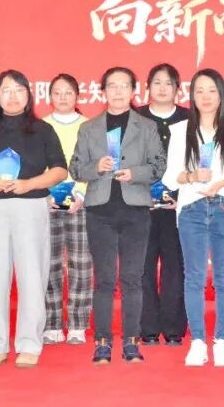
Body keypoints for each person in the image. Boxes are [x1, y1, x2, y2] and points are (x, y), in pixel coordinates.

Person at [0, 70, 67, 368]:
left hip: (30, 206)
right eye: (6, 90)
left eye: (19, 90)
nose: (12, 96)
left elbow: (60, 169)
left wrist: (29, 184)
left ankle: (29, 343)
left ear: (28, 95)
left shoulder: (43, 130)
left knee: (32, 274)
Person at [70, 67, 167, 364]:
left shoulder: (146, 126)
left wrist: (134, 173)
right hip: (100, 211)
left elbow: (158, 165)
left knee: (132, 279)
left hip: (135, 209)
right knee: (104, 280)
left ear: (133, 91)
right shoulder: (89, 128)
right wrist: (96, 167)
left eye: (124, 86)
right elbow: (76, 167)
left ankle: (131, 341)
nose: (118, 91)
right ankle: (102, 342)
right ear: (103, 91)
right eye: (112, 86)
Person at [163, 68, 224, 367]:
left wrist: (220, 183)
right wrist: (192, 176)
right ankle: (198, 342)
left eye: (212, 90)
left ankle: (221, 341)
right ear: (191, 95)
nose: (205, 97)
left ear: (222, 95)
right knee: (194, 277)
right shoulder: (180, 130)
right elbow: (170, 177)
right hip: (191, 209)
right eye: (199, 90)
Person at [137, 64, 190, 346]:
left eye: (168, 83)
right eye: (156, 82)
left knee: (176, 267)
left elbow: (199, 162)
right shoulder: (135, 118)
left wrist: (183, 195)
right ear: (148, 87)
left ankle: (173, 329)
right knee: (142, 267)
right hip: (140, 207)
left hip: (178, 207)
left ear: (177, 89)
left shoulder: (189, 119)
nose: (162, 88)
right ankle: (147, 328)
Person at [42, 73, 93, 346]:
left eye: (68, 92)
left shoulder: (89, 126)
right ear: (49, 96)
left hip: (80, 202)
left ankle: (77, 325)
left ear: (77, 96)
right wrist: (45, 194)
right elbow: (34, 163)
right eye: (57, 92)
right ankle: (51, 324)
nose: (62, 98)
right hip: (46, 202)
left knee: (81, 263)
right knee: (48, 264)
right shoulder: (39, 126)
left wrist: (81, 192)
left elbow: (94, 163)